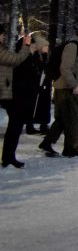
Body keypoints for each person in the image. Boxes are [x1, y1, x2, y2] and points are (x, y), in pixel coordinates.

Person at [40, 27, 78, 158]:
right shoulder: (74, 46)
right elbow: (65, 67)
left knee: (63, 119)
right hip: (65, 87)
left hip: (67, 87)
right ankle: (69, 148)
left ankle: (47, 142)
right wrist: (74, 85)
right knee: (71, 119)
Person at [1, 32, 33, 168]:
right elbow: (16, 59)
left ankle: (9, 157)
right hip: (4, 92)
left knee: (15, 124)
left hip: (6, 92)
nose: (3, 36)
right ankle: (8, 157)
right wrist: (26, 45)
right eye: (2, 34)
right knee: (15, 124)